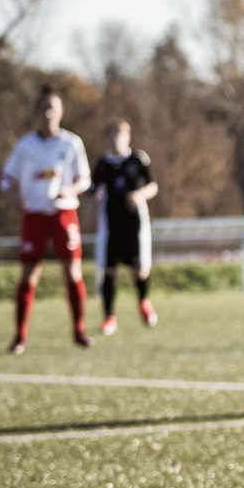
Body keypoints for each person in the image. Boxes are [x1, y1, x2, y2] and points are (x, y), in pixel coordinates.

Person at [0, 87, 92, 353]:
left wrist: (71, 190)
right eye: (43, 108)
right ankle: (20, 336)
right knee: (29, 275)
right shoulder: (25, 145)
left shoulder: (72, 143)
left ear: (61, 112)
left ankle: (79, 330)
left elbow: (84, 179)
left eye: (53, 108)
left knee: (72, 271)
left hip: (63, 213)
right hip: (35, 215)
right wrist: (15, 196)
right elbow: (7, 178)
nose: (48, 113)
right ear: (37, 113)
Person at [90, 120, 160, 334]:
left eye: (119, 134)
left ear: (128, 136)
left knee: (139, 270)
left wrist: (139, 195)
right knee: (108, 270)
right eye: (112, 134)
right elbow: (93, 190)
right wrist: (95, 199)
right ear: (107, 138)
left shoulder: (138, 159)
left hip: (134, 222)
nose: (116, 138)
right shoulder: (102, 163)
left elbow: (152, 186)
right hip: (111, 223)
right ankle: (109, 317)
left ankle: (144, 303)